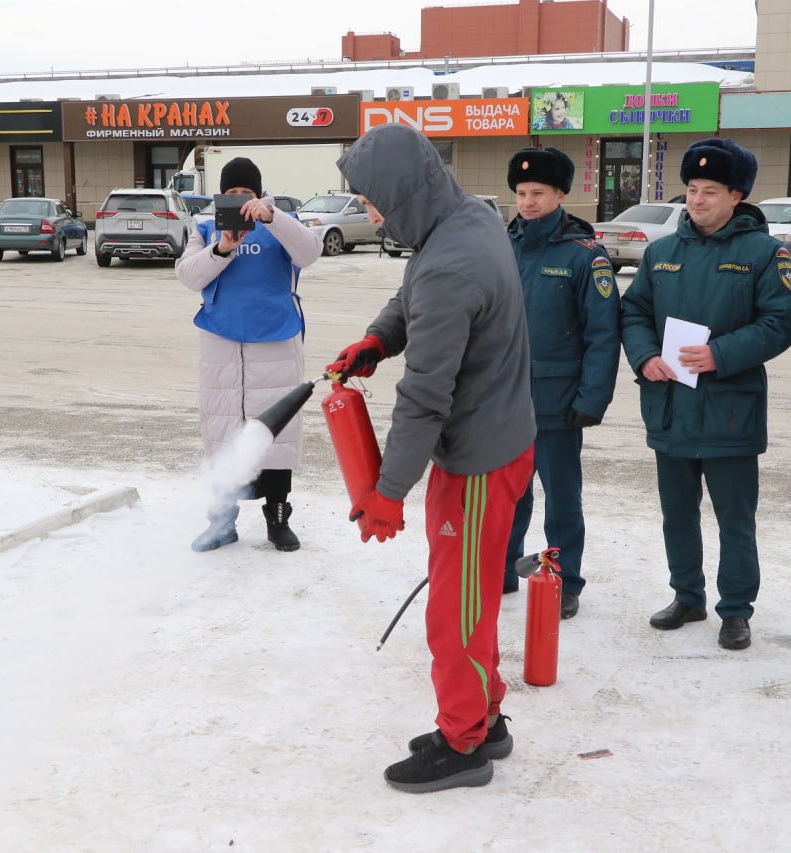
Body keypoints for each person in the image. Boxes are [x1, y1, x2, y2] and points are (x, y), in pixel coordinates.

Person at [325, 123, 536, 793]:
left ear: (404, 192)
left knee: (453, 610)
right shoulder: (466, 216)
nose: (368, 212)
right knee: (466, 598)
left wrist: (388, 490)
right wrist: (376, 340)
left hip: (476, 458)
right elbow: (414, 294)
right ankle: (485, 713)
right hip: (497, 439)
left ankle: (465, 740)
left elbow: (424, 398)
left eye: (372, 200)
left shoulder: (451, 260)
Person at [619, 137, 791, 651]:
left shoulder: (765, 254)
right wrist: (644, 356)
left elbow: (782, 323)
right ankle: (687, 595)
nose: (697, 200)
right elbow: (633, 312)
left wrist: (721, 354)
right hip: (671, 407)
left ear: (737, 196)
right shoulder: (661, 253)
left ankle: (736, 610)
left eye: (710, 191)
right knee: (677, 513)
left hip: (729, 412)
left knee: (734, 520)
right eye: (692, 190)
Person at [175, 157, 323, 552]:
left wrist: (272, 217)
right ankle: (222, 522)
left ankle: (278, 520)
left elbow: (310, 252)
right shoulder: (206, 227)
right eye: (232, 193)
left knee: (276, 435)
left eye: (247, 193)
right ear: (220, 196)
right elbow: (189, 276)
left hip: (275, 342)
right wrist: (222, 248)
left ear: (259, 193)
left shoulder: (280, 224)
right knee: (223, 434)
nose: (240, 199)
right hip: (222, 345)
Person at [500, 147, 621, 620]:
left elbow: (603, 333)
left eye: (538, 193)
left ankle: (564, 579)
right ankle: (505, 567)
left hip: (558, 401)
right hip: (506, 399)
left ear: (560, 195)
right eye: (522, 193)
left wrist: (592, 398)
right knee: (510, 491)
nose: (528, 202)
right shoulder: (503, 245)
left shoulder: (584, 255)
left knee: (562, 497)